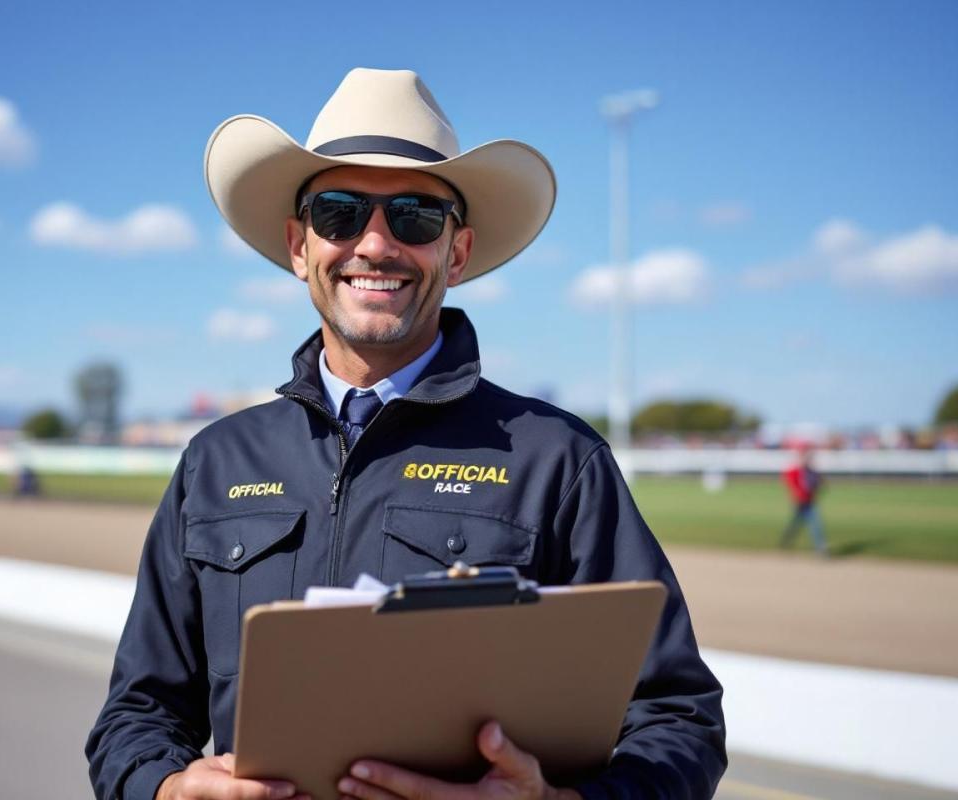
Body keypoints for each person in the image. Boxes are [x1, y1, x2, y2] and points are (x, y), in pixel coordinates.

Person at [87, 68, 726, 800]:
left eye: (416, 216)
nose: (376, 244)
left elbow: (679, 719)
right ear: (300, 246)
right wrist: (167, 789)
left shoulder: (559, 461)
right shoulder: (216, 460)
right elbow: (134, 716)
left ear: (455, 253)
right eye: (339, 212)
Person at [779, 444, 828, 556]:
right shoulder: (795, 471)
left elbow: (821, 484)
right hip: (799, 503)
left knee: (815, 525)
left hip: (810, 503)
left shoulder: (812, 472)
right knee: (795, 525)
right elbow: (789, 482)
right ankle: (786, 541)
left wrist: (816, 488)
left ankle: (821, 548)